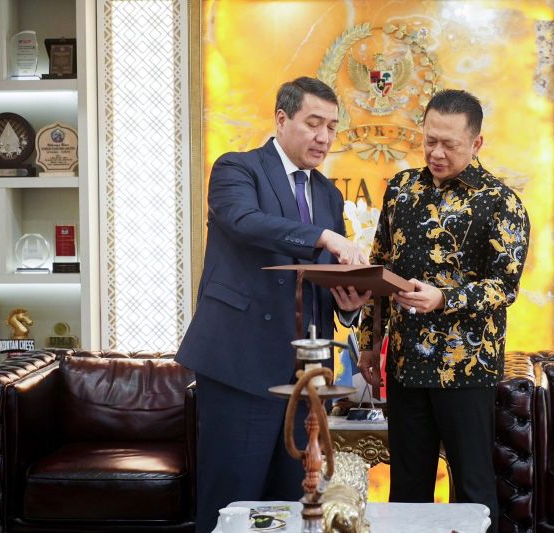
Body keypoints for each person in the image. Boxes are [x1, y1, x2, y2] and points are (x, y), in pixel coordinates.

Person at [176, 77, 370, 533]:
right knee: (231, 505)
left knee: (296, 506)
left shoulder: (328, 193)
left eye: (332, 127)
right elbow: (247, 222)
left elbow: (323, 272)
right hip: (241, 367)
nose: (324, 137)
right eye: (313, 123)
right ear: (282, 119)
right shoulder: (237, 169)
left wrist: (349, 304)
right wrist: (324, 237)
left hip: (306, 379)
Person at [357, 89, 531, 532]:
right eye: (429, 140)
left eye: (449, 144)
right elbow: (380, 271)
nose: (436, 152)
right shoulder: (401, 190)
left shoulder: (501, 202)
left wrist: (445, 298)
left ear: (476, 143)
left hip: (466, 368)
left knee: (472, 489)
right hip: (405, 366)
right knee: (406, 490)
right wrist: (368, 344)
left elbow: (503, 287)